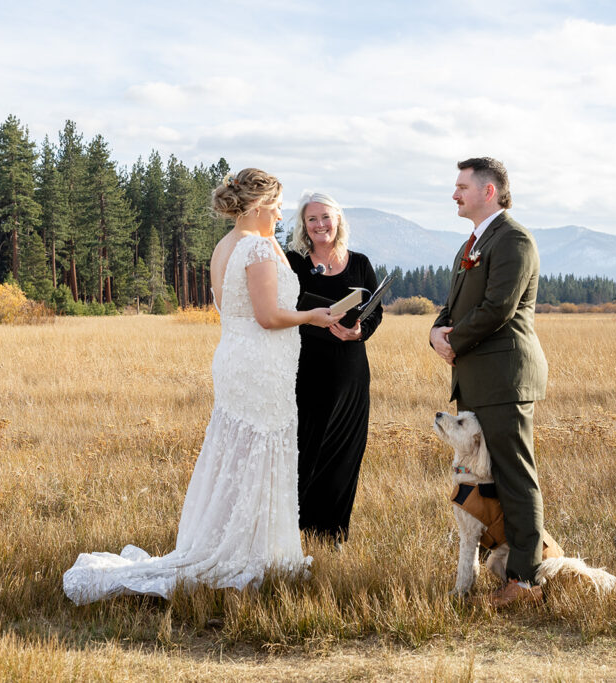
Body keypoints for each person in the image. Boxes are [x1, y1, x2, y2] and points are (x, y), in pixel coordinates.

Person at [63, 168, 342, 605]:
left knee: (238, 448)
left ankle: (240, 543)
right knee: (260, 447)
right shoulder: (255, 247)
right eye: (278, 205)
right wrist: (314, 316)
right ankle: (250, 553)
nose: (283, 213)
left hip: (237, 356)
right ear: (259, 205)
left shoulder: (227, 245)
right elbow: (268, 316)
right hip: (260, 363)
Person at [429, 157, 549, 609]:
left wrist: (454, 340)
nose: (454, 194)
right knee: (489, 482)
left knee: (516, 478)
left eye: (461, 186)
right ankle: (497, 567)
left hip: (505, 378)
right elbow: (454, 306)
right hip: (476, 379)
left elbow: (499, 307)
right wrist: (437, 333)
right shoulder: (471, 244)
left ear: (489, 191)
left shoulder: (514, 240)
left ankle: (525, 580)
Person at [285, 191, 383, 547]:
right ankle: (296, 530)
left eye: (326, 217)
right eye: (312, 219)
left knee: (345, 453)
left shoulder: (360, 263)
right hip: (307, 366)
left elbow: (376, 311)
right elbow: (285, 310)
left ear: (338, 220)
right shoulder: (293, 262)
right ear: (304, 226)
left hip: (350, 370)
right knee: (305, 449)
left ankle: (334, 534)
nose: (320, 225)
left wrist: (360, 330)